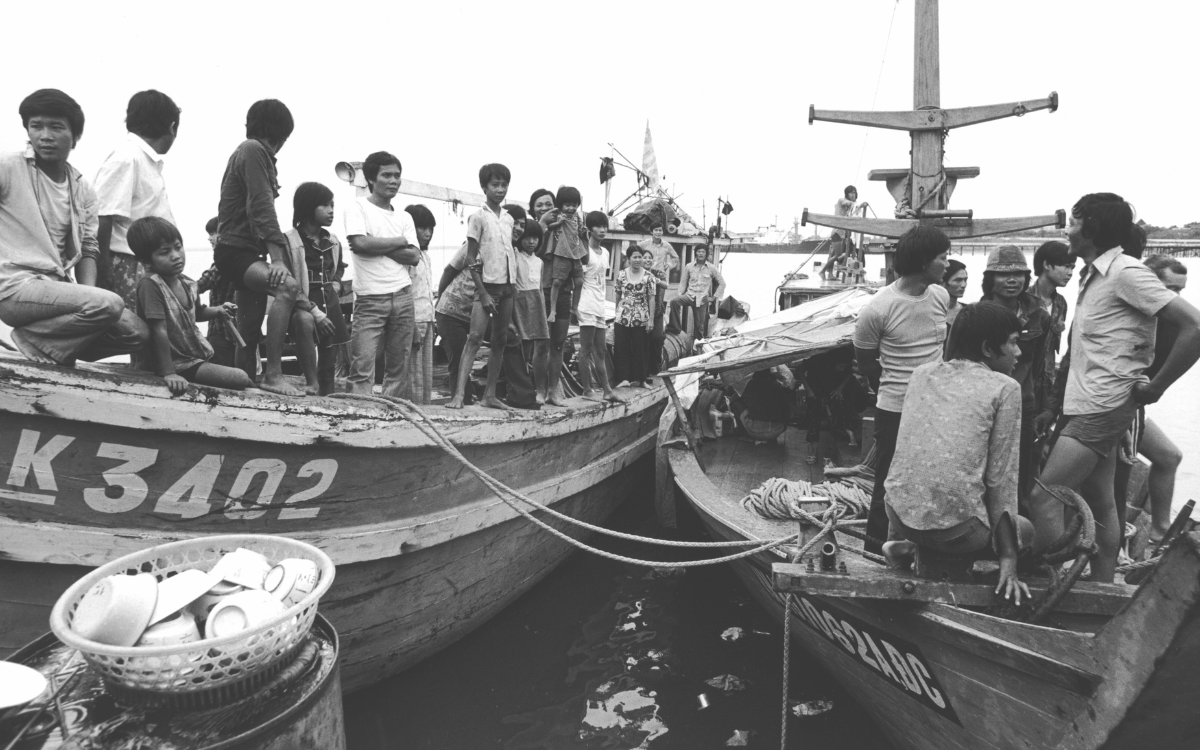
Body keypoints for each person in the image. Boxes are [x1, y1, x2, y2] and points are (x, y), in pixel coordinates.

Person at [1029, 193, 1200, 583]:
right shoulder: (1095, 273)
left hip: (1101, 406)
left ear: (1092, 227)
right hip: (1088, 402)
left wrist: (1155, 387)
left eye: (1073, 222)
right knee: (1101, 500)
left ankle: (1044, 580)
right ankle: (1103, 583)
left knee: (1044, 497)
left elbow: (1195, 326)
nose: (1066, 230)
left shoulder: (1126, 272)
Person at [882, 302, 1032, 605]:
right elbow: (1001, 480)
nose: (1019, 353)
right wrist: (1009, 560)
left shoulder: (921, 374)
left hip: (897, 515)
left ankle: (905, 547)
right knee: (1027, 531)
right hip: (957, 535)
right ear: (988, 349)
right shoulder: (1006, 388)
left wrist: (897, 532)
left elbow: (906, 454)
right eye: (1014, 342)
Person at [0, 89, 148, 365]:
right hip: (15, 288)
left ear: (75, 136)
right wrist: (99, 303)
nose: (45, 135)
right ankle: (34, 341)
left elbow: (89, 248)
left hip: (56, 289)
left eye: (56, 127)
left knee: (137, 332)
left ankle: (54, 351)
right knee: (109, 304)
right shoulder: (8, 167)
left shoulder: (82, 189)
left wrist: (91, 299)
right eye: (36, 126)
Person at [214, 99, 326, 396]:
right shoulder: (254, 150)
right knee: (287, 287)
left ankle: (244, 385)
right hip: (236, 251)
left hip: (241, 251)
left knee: (249, 329)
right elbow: (261, 208)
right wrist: (277, 258)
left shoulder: (249, 152)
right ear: (280, 133)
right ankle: (273, 375)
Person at [854, 224, 951, 554]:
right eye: (943, 257)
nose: (948, 264)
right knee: (889, 483)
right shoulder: (877, 309)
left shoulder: (940, 296)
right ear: (925, 262)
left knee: (931, 480)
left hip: (937, 408)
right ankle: (873, 551)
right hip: (896, 409)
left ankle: (923, 549)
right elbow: (867, 364)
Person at [127, 217, 253, 394]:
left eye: (178, 247)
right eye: (165, 252)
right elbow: (159, 330)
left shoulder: (188, 283)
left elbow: (197, 313)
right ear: (146, 261)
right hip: (172, 363)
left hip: (192, 357)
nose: (176, 256)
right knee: (240, 378)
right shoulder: (151, 285)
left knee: (246, 379)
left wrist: (218, 310)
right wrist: (169, 373)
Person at [90, 90, 180, 310]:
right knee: (137, 331)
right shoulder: (128, 157)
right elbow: (101, 216)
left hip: (147, 264)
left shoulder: (142, 159)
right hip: (127, 264)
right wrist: (102, 272)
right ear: (171, 126)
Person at [343, 151, 421, 399]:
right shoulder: (357, 207)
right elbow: (359, 244)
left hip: (403, 297)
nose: (393, 181)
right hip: (369, 300)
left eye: (397, 175)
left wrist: (375, 244)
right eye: (386, 175)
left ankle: (393, 413)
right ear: (371, 179)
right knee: (361, 367)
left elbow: (414, 257)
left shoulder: (405, 216)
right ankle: (360, 414)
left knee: (399, 368)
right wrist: (399, 241)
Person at [978, 246, 1050, 503]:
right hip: (984, 404)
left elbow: (1042, 367)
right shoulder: (976, 315)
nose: (1012, 280)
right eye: (1002, 274)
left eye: (1019, 274)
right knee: (983, 468)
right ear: (990, 279)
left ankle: (1015, 527)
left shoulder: (1040, 315)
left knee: (1019, 473)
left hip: (1023, 404)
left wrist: (1047, 409)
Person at [447, 164, 518, 410]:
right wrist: (484, 293)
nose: (500, 189)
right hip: (487, 287)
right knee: (475, 338)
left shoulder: (509, 218)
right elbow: (470, 259)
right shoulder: (477, 217)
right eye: (495, 185)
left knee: (500, 340)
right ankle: (457, 395)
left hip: (508, 287)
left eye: (504, 185)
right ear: (484, 187)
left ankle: (489, 395)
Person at [284, 182, 347, 396]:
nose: (331, 211)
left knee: (329, 369)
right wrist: (315, 312)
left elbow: (339, 268)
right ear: (308, 206)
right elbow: (288, 283)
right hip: (303, 306)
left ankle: (329, 407)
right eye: (325, 205)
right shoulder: (289, 241)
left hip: (331, 306)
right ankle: (311, 387)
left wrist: (336, 284)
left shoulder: (333, 242)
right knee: (304, 322)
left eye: (332, 205)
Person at [576, 211, 623, 403]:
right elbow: (579, 280)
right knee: (586, 349)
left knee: (601, 350)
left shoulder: (606, 252)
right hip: (586, 302)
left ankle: (606, 390)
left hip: (599, 304)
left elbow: (602, 281)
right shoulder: (584, 250)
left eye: (605, 226)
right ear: (590, 229)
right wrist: (575, 307)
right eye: (598, 226)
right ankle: (587, 390)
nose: (602, 230)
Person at [530, 187, 570, 406]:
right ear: (533, 209)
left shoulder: (564, 226)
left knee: (558, 344)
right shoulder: (530, 230)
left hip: (563, 290)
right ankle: (540, 390)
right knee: (542, 345)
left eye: (548, 203)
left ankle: (553, 392)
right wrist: (542, 224)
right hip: (540, 291)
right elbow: (531, 252)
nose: (544, 207)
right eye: (539, 205)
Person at [613, 245, 667, 388]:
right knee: (621, 347)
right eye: (635, 257)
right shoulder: (622, 274)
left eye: (640, 257)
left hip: (641, 317)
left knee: (641, 348)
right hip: (622, 316)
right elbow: (618, 293)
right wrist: (616, 313)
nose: (638, 260)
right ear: (629, 259)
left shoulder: (649, 277)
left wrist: (650, 320)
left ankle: (641, 379)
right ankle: (623, 378)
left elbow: (651, 298)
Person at [1031, 240, 1073, 412]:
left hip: (1047, 383)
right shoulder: (1023, 299)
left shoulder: (1061, 303)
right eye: (1066, 266)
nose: (1070, 273)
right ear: (1047, 265)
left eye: (1073, 268)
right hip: (1023, 381)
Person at [513, 221, 552, 401]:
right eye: (527, 237)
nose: (531, 241)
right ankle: (523, 390)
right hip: (520, 302)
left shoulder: (540, 261)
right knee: (524, 347)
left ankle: (541, 390)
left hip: (537, 302)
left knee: (543, 345)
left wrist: (545, 311)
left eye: (535, 238)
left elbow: (540, 288)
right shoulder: (515, 256)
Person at [404, 204, 437, 404]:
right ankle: (414, 416)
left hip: (428, 318)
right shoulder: (407, 257)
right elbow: (405, 292)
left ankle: (426, 412)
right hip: (414, 320)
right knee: (413, 375)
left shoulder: (426, 256)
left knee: (426, 374)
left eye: (430, 228)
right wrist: (411, 326)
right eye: (422, 228)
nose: (427, 233)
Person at [638, 222, 680, 378]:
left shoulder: (667, 245)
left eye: (660, 230)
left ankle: (655, 366)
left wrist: (668, 265)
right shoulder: (643, 244)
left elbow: (675, 258)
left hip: (659, 278)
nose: (658, 232)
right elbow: (631, 252)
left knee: (657, 307)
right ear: (651, 231)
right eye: (655, 230)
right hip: (644, 275)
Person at [543, 186, 587, 325]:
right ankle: (553, 310)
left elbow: (580, 231)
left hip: (575, 253)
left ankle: (574, 308)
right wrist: (558, 222)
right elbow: (548, 227)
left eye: (574, 205)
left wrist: (583, 231)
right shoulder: (557, 214)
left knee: (579, 282)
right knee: (556, 282)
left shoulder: (577, 217)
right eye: (567, 205)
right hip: (561, 252)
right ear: (561, 204)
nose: (571, 208)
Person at [197, 217, 237, 366]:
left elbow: (199, 285)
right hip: (239, 334)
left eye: (213, 233)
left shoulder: (221, 264)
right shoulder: (243, 261)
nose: (209, 238)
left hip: (221, 332)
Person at [670, 245, 725, 340]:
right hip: (689, 296)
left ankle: (697, 348)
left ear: (706, 254)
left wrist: (712, 298)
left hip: (702, 300)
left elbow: (722, 283)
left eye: (703, 252)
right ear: (696, 253)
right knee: (674, 302)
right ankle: (675, 328)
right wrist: (680, 295)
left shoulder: (711, 268)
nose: (700, 254)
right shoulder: (689, 266)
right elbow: (683, 282)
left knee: (699, 327)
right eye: (699, 251)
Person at [823, 185, 860, 279]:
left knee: (833, 254)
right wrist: (857, 204)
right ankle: (822, 271)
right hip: (837, 232)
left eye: (854, 193)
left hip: (842, 234)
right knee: (837, 255)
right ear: (846, 194)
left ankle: (830, 274)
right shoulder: (842, 201)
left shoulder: (850, 207)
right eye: (851, 193)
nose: (853, 195)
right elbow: (846, 203)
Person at [941, 259, 968, 331]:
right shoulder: (934, 311)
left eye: (965, 280)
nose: (963, 285)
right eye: (958, 280)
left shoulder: (969, 310)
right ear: (943, 282)